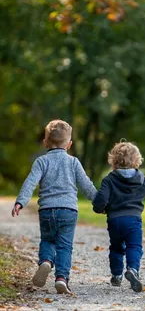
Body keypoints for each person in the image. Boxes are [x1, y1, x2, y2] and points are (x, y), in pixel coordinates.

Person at [12, 119, 97, 294]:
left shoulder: (41, 162)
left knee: (48, 240)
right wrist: (100, 202)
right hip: (68, 211)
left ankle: (46, 261)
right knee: (64, 246)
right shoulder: (73, 162)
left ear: (45, 142)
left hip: (46, 210)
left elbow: (30, 183)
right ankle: (61, 278)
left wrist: (21, 201)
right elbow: (86, 185)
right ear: (70, 144)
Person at [92, 140, 145, 293]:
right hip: (133, 220)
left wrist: (100, 209)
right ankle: (133, 269)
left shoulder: (109, 179)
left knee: (116, 248)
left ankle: (116, 275)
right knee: (134, 246)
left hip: (114, 221)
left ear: (113, 160)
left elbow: (101, 201)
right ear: (137, 160)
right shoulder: (142, 180)